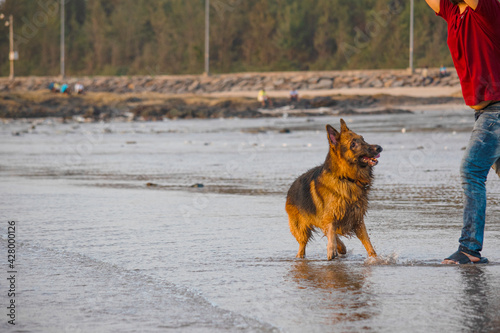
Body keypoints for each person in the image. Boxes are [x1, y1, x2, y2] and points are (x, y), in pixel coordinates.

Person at [424, 0, 500, 264]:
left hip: (497, 110)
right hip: (485, 111)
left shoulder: (487, 9)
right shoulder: (452, 11)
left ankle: (469, 249)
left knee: (471, 170)